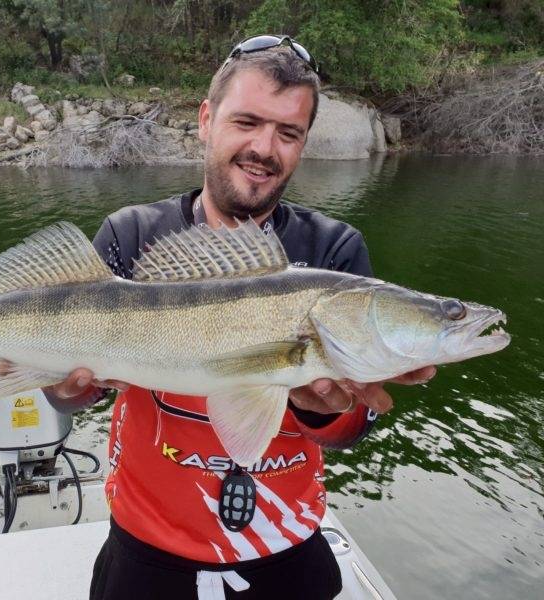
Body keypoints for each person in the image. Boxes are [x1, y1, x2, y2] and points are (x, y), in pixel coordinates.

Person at [45, 35, 436, 600]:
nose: (264, 147)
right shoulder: (128, 235)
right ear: (206, 119)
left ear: (303, 144)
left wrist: (323, 410)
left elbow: (352, 430)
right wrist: (66, 392)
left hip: (283, 547)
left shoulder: (335, 253)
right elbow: (75, 396)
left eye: (288, 133)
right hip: (146, 546)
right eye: (246, 121)